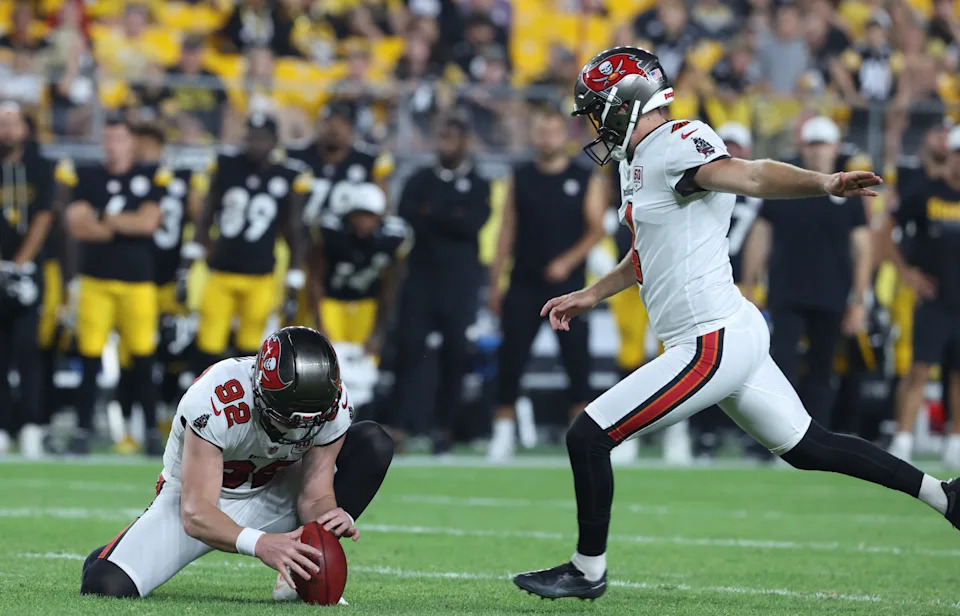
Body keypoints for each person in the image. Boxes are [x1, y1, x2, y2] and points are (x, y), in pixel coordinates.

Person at [513, 46, 960, 601]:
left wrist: (824, 182)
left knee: (589, 433)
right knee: (810, 447)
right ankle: (946, 497)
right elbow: (646, 252)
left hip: (709, 340)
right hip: (727, 332)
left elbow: (749, 174)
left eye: (596, 108)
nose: (591, 122)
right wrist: (591, 294)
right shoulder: (639, 158)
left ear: (627, 102)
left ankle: (586, 570)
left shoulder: (679, 141)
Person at [79, 326, 394, 600]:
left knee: (373, 443)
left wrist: (329, 519)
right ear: (260, 395)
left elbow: (314, 494)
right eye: (287, 419)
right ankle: (115, 551)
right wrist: (259, 543)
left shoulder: (333, 400)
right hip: (204, 498)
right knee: (105, 584)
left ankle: (298, 574)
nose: (298, 430)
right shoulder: (215, 398)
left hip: (276, 486)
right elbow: (195, 512)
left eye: (309, 422)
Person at [486, 105, 606, 462]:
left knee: (577, 362)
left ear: (565, 135)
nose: (547, 137)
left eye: (553, 130)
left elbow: (596, 228)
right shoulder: (519, 176)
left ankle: (584, 437)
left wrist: (567, 261)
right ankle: (502, 434)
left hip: (569, 286)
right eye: (541, 130)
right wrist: (496, 281)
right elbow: (507, 230)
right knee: (511, 359)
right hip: (523, 282)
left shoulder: (586, 177)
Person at [741, 116, 872, 430]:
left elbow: (863, 248)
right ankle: (778, 433)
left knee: (822, 369)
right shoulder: (786, 185)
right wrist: (749, 282)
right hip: (787, 291)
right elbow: (761, 234)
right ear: (803, 147)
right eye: (812, 144)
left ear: (835, 148)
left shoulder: (849, 192)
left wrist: (859, 299)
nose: (817, 151)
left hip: (832, 294)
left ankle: (817, 434)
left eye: (823, 144)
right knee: (780, 364)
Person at [63, 116, 166, 454]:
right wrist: (124, 224)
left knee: (143, 358)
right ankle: (82, 430)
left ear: (131, 142)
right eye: (107, 138)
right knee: (89, 358)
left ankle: (149, 430)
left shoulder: (150, 174)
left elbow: (149, 222)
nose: (112, 145)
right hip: (96, 279)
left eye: (118, 139)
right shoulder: (88, 174)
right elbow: (77, 224)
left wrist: (103, 218)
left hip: (138, 282)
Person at [392, 115, 491, 453]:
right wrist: (450, 215)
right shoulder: (419, 179)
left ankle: (444, 428)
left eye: (452, 137)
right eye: (442, 137)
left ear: (465, 143)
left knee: (454, 354)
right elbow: (405, 215)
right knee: (407, 349)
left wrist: (432, 213)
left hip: (459, 283)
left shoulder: (479, 184)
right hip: (420, 278)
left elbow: (473, 224)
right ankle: (397, 425)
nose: (445, 144)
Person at [187, 113, 311, 372]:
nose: (256, 144)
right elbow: (207, 213)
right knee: (208, 344)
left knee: (251, 348)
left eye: (262, 139)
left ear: (275, 141)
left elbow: (295, 231)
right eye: (251, 137)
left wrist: (294, 278)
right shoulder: (226, 165)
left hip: (261, 274)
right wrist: (191, 257)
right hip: (221, 270)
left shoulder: (289, 175)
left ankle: (244, 405)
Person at [113, 121, 199, 454]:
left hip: (170, 276)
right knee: (134, 354)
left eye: (151, 145)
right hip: (140, 277)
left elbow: (198, 214)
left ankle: (167, 418)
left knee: (173, 351)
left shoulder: (178, 179)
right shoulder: (132, 179)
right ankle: (133, 425)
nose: (145, 151)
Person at [885, 126, 960, 466]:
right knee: (919, 369)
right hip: (934, 300)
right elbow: (886, 228)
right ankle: (902, 437)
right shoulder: (926, 193)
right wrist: (907, 273)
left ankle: (955, 440)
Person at [0, 101, 53, 457]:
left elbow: (43, 217)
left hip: (29, 271)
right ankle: (3, 425)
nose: (7, 130)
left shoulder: (41, 165)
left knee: (29, 349)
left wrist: (19, 264)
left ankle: (32, 423)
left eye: (12, 123)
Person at [307, 182, 412, 356]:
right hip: (331, 301)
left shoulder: (392, 239)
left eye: (369, 216)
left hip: (366, 303)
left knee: (364, 363)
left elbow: (390, 288)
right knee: (325, 358)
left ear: (379, 218)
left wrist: (379, 330)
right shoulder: (332, 233)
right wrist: (319, 322)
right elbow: (315, 278)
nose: (363, 222)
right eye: (359, 215)